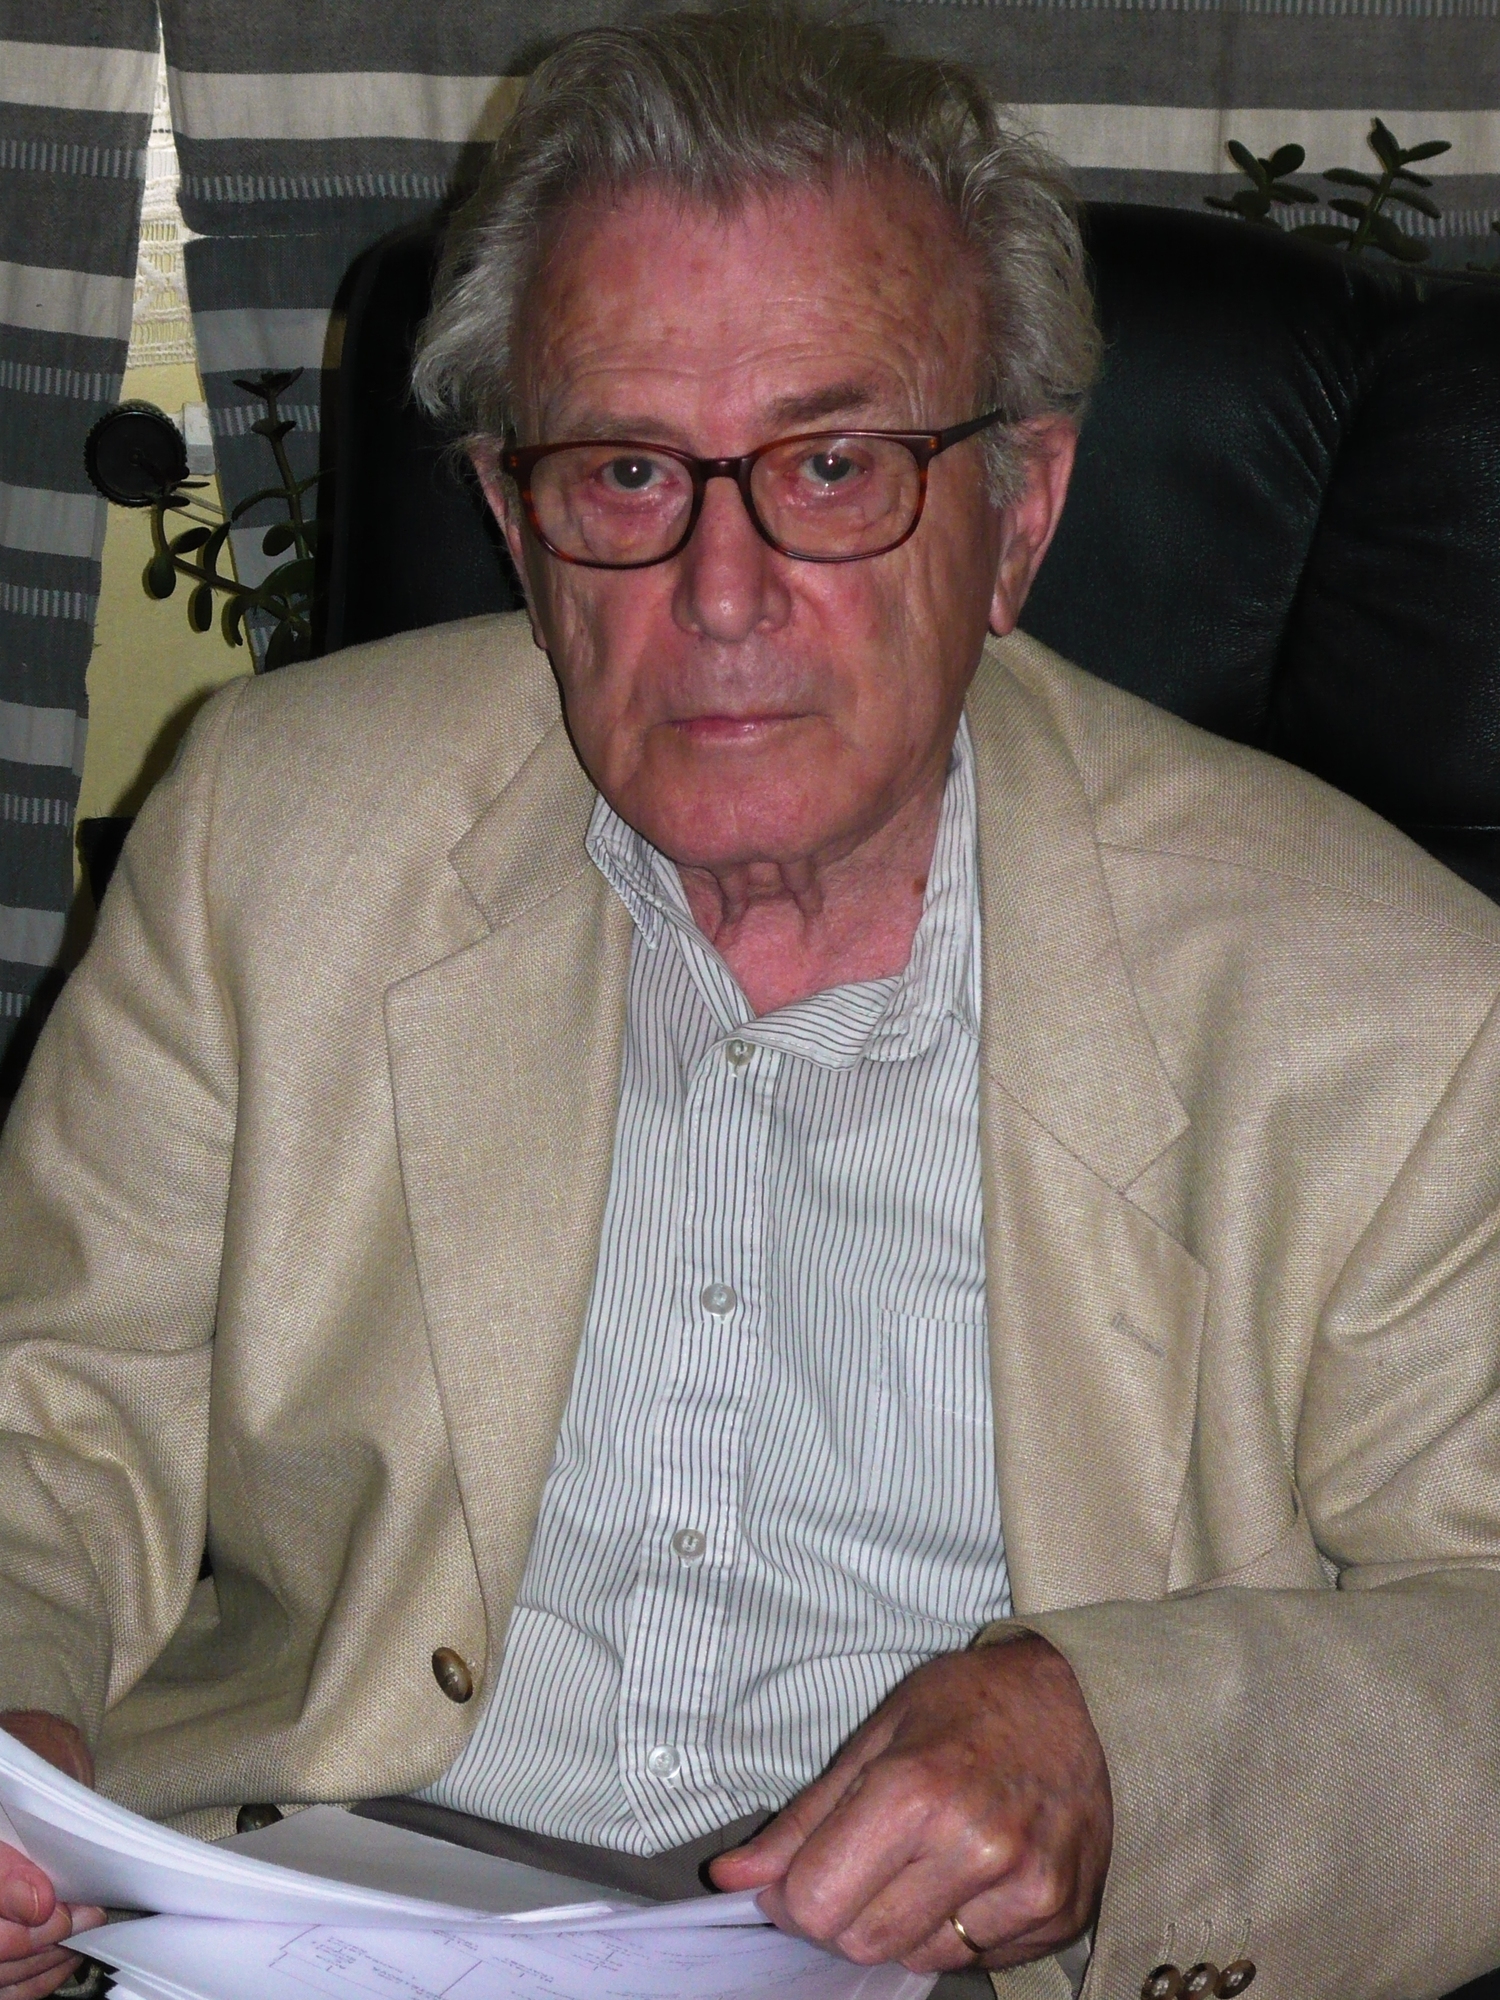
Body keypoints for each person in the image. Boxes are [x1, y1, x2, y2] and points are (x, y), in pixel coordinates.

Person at [0, 8, 1497, 2000]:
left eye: (834, 466)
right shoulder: (271, 837)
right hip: (310, 1931)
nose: (722, 593)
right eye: (627, 471)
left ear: (1020, 517)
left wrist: (1118, 1744)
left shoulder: (1381, 1005)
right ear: (516, 518)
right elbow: (53, 1411)